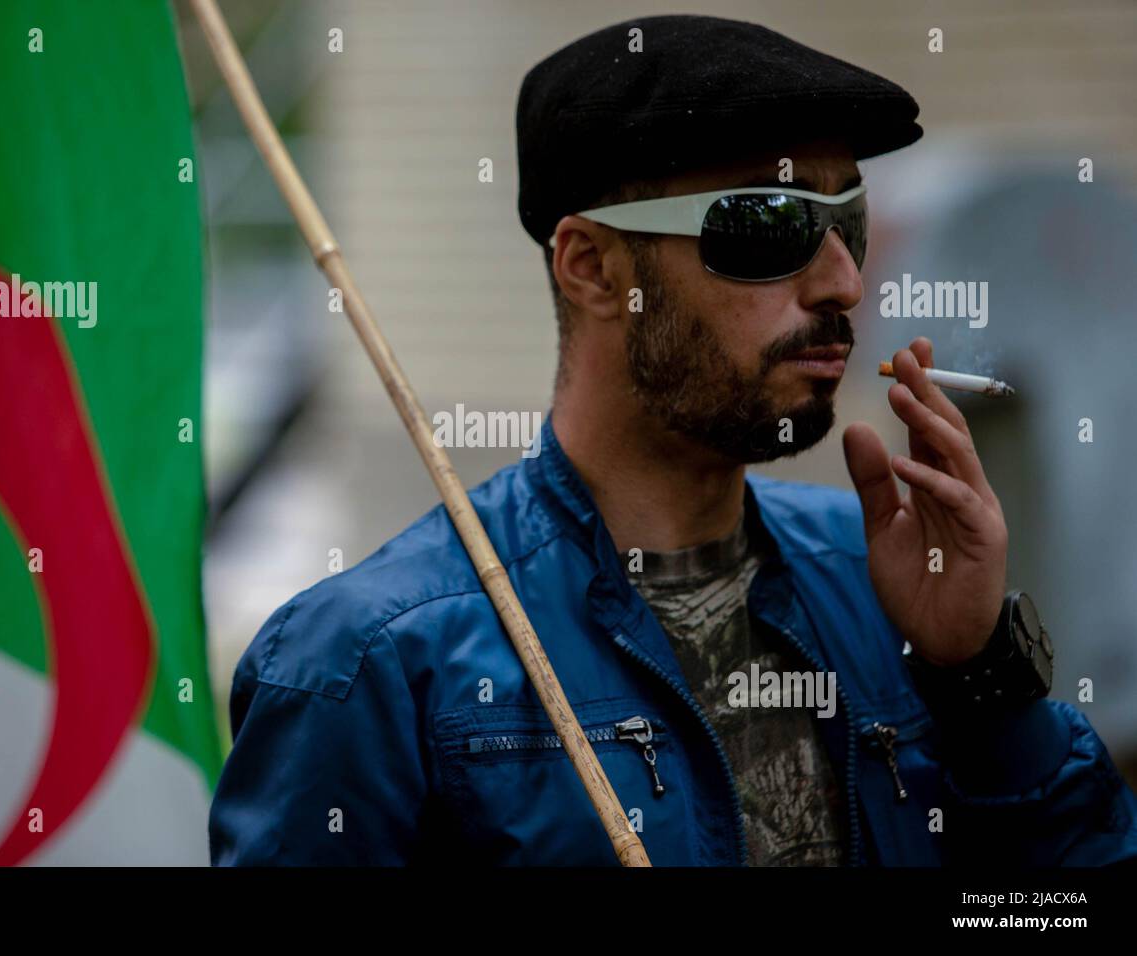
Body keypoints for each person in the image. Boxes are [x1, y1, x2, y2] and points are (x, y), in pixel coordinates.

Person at [208, 14, 1137, 865]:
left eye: (848, 222)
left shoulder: (883, 581)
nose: (845, 284)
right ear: (593, 267)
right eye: (770, 224)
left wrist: (979, 680)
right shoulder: (368, 664)